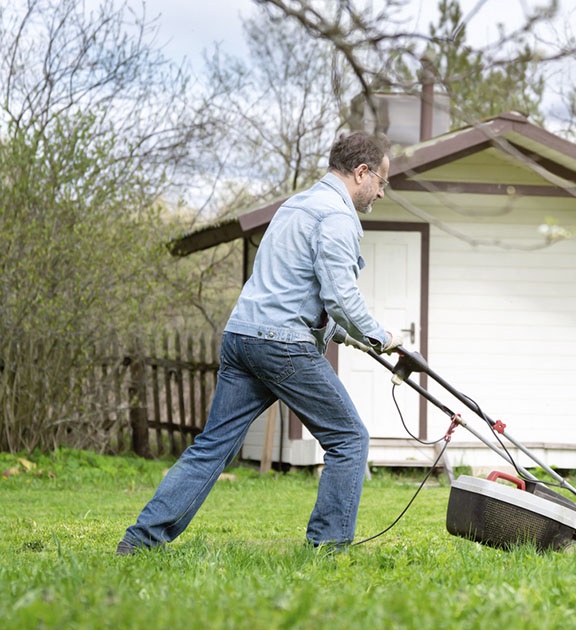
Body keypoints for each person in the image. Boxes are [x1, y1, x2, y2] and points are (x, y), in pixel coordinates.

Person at [117, 131, 400, 555]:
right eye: (381, 180)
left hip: (242, 337)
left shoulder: (296, 206)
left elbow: (300, 293)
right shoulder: (337, 217)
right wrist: (381, 336)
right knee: (349, 438)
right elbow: (340, 297)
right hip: (281, 344)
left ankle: (139, 541)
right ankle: (328, 550)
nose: (382, 190)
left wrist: (356, 341)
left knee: (212, 447)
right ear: (362, 173)